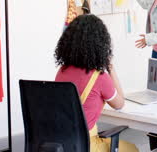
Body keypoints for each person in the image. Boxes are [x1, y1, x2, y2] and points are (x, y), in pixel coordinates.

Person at [55, 14, 138, 152]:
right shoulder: (99, 77)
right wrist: (110, 67)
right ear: (100, 44)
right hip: (87, 145)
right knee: (132, 149)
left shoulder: (62, 71)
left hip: (62, 144)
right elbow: (119, 104)